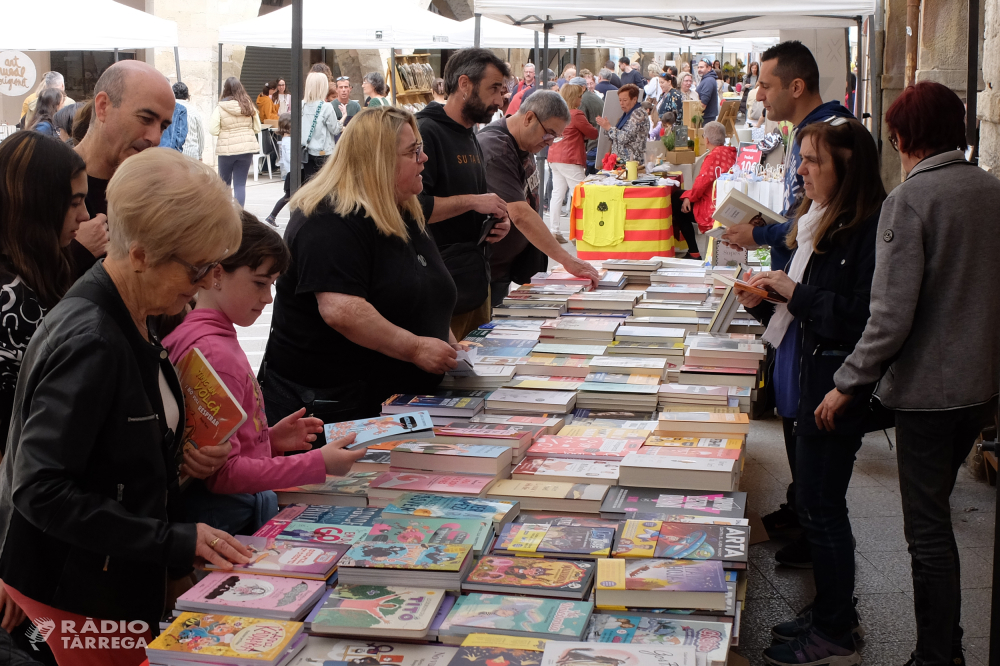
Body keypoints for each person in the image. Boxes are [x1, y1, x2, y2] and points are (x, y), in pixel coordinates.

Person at [0, 148, 249, 665]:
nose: (206, 282)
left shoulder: (138, 315)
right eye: (198, 267)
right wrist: (170, 542)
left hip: (109, 584)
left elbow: (121, 453)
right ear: (140, 254)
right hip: (74, 599)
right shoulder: (92, 338)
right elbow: (40, 489)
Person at [816, 82, 1000, 666]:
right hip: (981, 388)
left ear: (901, 137)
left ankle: (934, 656)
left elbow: (889, 314)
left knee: (927, 532)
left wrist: (848, 381)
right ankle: (946, 647)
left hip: (930, 393)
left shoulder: (911, 200)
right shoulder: (991, 190)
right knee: (935, 517)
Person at [732, 118, 885, 666]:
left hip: (832, 385)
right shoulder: (818, 220)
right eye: (802, 159)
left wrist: (796, 291)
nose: (801, 170)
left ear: (847, 169)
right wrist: (764, 301)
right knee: (817, 503)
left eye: (813, 161)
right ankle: (831, 611)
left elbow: (863, 318)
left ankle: (836, 633)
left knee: (822, 506)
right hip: (803, 376)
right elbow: (807, 306)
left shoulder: (867, 228)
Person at [720, 40, 856, 568]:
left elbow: (811, 232)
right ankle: (803, 515)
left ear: (796, 86)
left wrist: (764, 236)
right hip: (802, 320)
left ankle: (817, 551)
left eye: (765, 84)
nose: (758, 93)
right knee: (804, 454)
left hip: (820, 345)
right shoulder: (815, 135)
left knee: (821, 481)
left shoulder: (831, 134)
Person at [165, 212, 365, 535]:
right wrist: (316, 464)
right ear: (217, 274)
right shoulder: (215, 354)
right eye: (259, 283)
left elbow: (222, 446)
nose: (267, 298)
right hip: (227, 518)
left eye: (272, 285)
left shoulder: (201, 336)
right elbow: (222, 475)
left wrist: (267, 439)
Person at [263, 107, 464, 424]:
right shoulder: (328, 218)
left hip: (392, 402)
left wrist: (450, 344)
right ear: (379, 161)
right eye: (413, 151)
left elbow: (423, 288)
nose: (423, 159)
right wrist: (414, 348)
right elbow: (342, 310)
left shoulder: (400, 207)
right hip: (337, 406)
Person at [0, 132, 91, 455]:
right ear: (37, 203)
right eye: (75, 203)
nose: (85, 216)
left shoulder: (34, 271)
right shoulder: (12, 299)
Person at [415, 48, 512, 339]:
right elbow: (413, 208)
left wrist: (497, 220)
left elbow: (474, 202)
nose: (499, 99)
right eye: (493, 88)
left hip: (475, 280)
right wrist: (474, 202)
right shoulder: (426, 132)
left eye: (502, 90)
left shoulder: (470, 133)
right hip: (441, 288)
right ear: (465, 84)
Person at [479, 90, 600, 305]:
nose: (551, 142)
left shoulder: (523, 143)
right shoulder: (496, 147)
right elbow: (520, 214)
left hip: (505, 266)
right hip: (488, 269)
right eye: (549, 134)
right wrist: (567, 260)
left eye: (556, 136)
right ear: (529, 118)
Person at [73, 61, 176, 280]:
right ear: (103, 107)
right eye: (146, 119)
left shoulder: (151, 191)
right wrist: (75, 252)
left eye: (163, 126)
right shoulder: (45, 179)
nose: (155, 137)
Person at [547, 84, 598, 241]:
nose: (581, 99)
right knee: (580, 194)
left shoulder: (556, 113)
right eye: (579, 96)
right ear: (573, 98)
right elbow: (593, 133)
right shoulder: (576, 114)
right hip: (570, 158)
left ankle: (554, 230)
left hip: (554, 156)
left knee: (557, 194)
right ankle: (578, 233)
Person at [210, 77, 261, 208]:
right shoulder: (249, 105)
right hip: (246, 149)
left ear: (225, 89)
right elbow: (257, 128)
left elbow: (213, 130)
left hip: (226, 152)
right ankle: (239, 214)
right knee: (240, 184)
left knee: (225, 184)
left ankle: (226, 213)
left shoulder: (220, 107)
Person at [679, 122, 736, 232]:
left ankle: (692, 248)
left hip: (713, 206)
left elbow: (701, 183)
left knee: (677, 201)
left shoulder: (713, 156)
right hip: (728, 203)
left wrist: (689, 197)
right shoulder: (731, 152)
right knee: (682, 196)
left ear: (707, 140)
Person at [301, 71, 342, 182]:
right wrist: (342, 119)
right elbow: (335, 129)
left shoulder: (301, 105)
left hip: (305, 152)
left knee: (310, 184)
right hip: (324, 152)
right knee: (325, 185)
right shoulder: (326, 107)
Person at [595, 84, 646, 163]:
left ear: (634, 99)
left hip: (632, 162)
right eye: (620, 100)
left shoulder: (638, 114)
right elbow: (616, 137)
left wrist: (609, 128)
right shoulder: (627, 113)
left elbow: (626, 137)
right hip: (621, 161)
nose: (621, 103)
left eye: (625, 100)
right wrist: (606, 127)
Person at [264, 113, 293, 228]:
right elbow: (290, 159)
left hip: (290, 172)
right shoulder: (289, 141)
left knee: (289, 196)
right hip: (293, 172)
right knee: (289, 196)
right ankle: (271, 216)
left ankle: (272, 216)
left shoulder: (285, 140)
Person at [173, 82, 205, 162]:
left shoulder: (169, 110)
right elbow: (200, 136)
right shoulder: (194, 111)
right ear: (187, 95)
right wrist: (200, 155)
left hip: (173, 154)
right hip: (192, 153)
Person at [695, 58, 720, 122]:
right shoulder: (706, 79)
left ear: (709, 68)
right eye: (698, 67)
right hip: (707, 116)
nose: (699, 69)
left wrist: (695, 112)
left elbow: (704, 102)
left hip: (706, 118)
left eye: (701, 67)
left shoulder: (708, 81)